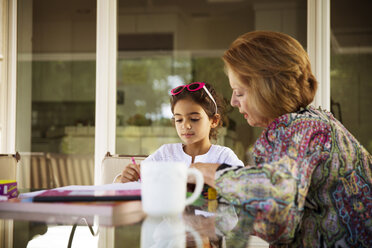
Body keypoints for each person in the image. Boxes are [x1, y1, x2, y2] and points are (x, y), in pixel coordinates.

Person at [190, 31, 372, 248]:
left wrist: (211, 171)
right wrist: (212, 224)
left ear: (265, 89)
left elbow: (278, 219)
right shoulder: (311, 123)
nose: (233, 102)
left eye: (239, 92)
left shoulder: (301, 128)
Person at [117, 82, 244, 183]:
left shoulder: (224, 157)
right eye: (179, 119)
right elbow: (132, 182)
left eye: (194, 119)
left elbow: (245, 188)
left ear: (214, 120)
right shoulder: (165, 154)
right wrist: (125, 178)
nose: (185, 125)